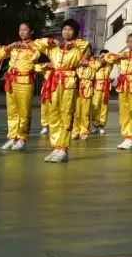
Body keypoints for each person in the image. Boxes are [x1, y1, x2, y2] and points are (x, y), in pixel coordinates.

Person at [33, 19, 91, 163]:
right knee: (53, 114)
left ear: (75, 33)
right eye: (64, 29)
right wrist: (53, 41)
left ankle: (63, 149)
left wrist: (72, 43)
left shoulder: (78, 47)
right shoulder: (53, 48)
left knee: (66, 114)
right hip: (53, 82)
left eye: (70, 29)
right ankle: (56, 147)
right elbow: (37, 43)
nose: (66, 32)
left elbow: (85, 44)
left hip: (68, 81)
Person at [1, 22, 41, 151]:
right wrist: (10, 46)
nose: (22, 32)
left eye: (25, 30)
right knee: (12, 111)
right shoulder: (15, 46)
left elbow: (35, 57)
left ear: (31, 31)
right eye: (20, 30)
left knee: (24, 111)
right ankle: (12, 137)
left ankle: (22, 138)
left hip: (24, 81)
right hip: (12, 80)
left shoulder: (34, 45)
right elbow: (1, 54)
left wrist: (27, 47)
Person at [90, 49, 112, 136]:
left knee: (104, 107)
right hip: (97, 86)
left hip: (105, 87)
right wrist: (98, 59)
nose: (103, 58)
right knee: (95, 106)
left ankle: (102, 126)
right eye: (101, 55)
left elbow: (112, 58)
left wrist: (106, 58)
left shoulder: (109, 64)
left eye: (104, 56)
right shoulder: (95, 62)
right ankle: (95, 125)